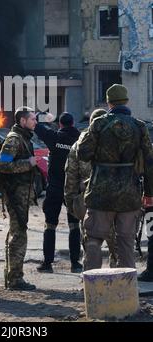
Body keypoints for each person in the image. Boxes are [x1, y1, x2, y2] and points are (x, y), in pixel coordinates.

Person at [77, 84, 153, 270]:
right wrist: (149, 193)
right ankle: (126, 290)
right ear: (126, 101)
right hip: (130, 192)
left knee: (94, 239)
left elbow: (82, 153)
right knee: (126, 242)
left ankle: (92, 286)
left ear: (109, 102)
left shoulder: (99, 124)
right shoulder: (139, 126)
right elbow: (150, 162)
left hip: (100, 192)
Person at [64, 108, 118, 268]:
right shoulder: (116, 142)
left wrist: (71, 204)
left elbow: (70, 177)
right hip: (114, 201)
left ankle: (91, 282)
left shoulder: (79, 145)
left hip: (89, 202)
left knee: (90, 245)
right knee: (117, 246)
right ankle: (119, 282)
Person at [35, 112, 81, 273]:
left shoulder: (54, 137)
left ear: (60, 124)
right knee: (74, 225)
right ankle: (76, 264)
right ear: (73, 123)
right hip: (73, 188)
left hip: (55, 187)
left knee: (50, 224)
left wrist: (39, 116)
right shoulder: (80, 139)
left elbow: (38, 128)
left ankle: (47, 264)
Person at [0, 107, 37, 291]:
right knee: (18, 235)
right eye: (32, 119)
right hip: (15, 195)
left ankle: (13, 276)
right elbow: (3, 165)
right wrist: (27, 164)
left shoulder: (23, 138)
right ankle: (15, 278)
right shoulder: (14, 139)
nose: (35, 122)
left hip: (21, 195)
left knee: (18, 233)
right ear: (23, 121)